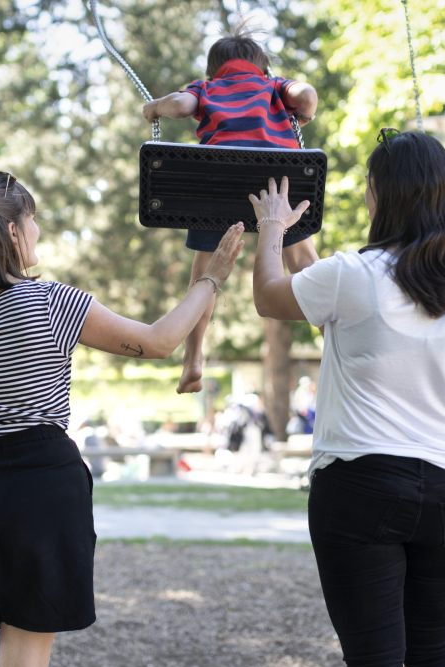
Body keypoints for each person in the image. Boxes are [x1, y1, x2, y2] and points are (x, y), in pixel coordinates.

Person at [0, 171, 243, 667]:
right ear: (11, 233)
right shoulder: (50, 302)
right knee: (25, 659)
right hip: (38, 484)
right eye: (34, 220)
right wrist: (211, 278)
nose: (39, 231)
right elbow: (159, 341)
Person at [249, 130, 445, 667]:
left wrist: (272, 227)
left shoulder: (352, 274)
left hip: (358, 488)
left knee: (373, 663)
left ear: (381, 197)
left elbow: (268, 295)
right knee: (433, 651)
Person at [142, 23, 319, 394]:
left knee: (204, 277)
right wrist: (304, 113)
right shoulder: (274, 85)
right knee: (303, 259)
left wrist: (153, 108)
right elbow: (306, 95)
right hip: (277, 180)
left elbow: (178, 105)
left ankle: (193, 357)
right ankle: (335, 329)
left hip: (217, 183)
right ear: (262, 67)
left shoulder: (205, 89)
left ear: (212, 70)